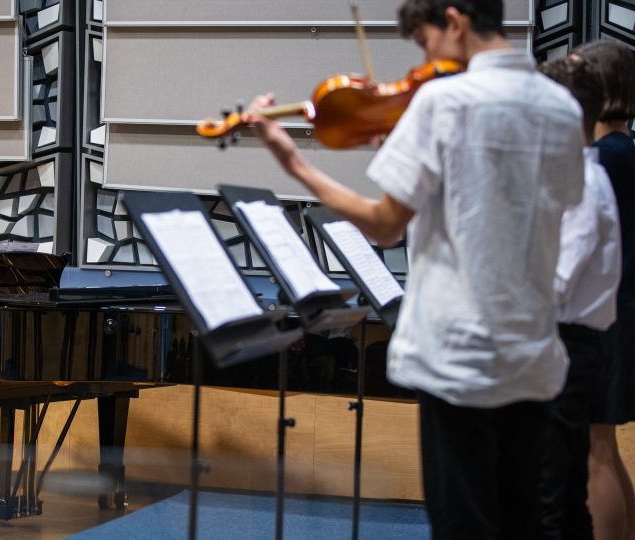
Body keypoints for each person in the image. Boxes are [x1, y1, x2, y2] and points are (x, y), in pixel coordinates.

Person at [248, 1, 586, 537]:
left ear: (455, 21)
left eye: (426, 42)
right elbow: (553, 205)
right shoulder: (563, 106)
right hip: (533, 355)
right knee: (524, 521)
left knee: (463, 525)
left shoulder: (444, 101)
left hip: (460, 355)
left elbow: (385, 226)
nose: (427, 60)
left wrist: (292, 162)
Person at [536, 52, 621, 540]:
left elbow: (555, 284)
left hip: (567, 348)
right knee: (565, 497)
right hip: (565, 345)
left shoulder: (584, 185)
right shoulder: (576, 178)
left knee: (548, 499)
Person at [573, 39, 635, 540]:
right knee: (602, 445)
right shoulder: (623, 150)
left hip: (609, 315)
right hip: (619, 310)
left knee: (596, 445)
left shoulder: (606, 159)